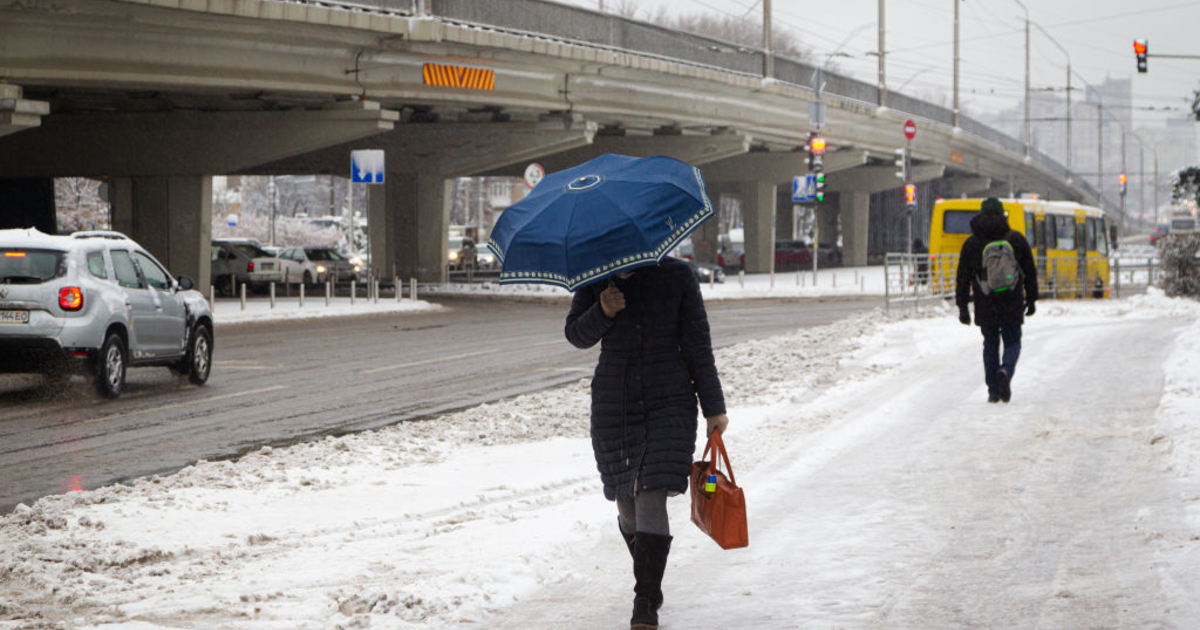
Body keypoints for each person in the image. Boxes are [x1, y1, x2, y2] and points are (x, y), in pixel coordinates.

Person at [565, 257, 729, 630]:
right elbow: (576, 335)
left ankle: (644, 601)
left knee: (651, 491)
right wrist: (601, 311)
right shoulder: (595, 277)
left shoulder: (677, 274)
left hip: (669, 396)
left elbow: (697, 344)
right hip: (615, 401)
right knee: (626, 504)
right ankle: (650, 581)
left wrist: (713, 407)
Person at [955, 197, 1038, 403]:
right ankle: (1006, 371)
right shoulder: (1015, 239)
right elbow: (1030, 271)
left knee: (990, 345)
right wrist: (1032, 298)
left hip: (985, 302)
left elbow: (962, 277)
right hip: (1011, 300)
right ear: (1002, 215)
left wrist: (963, 307)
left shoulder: (972, 243)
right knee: (1012, 342)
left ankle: (993, 390)